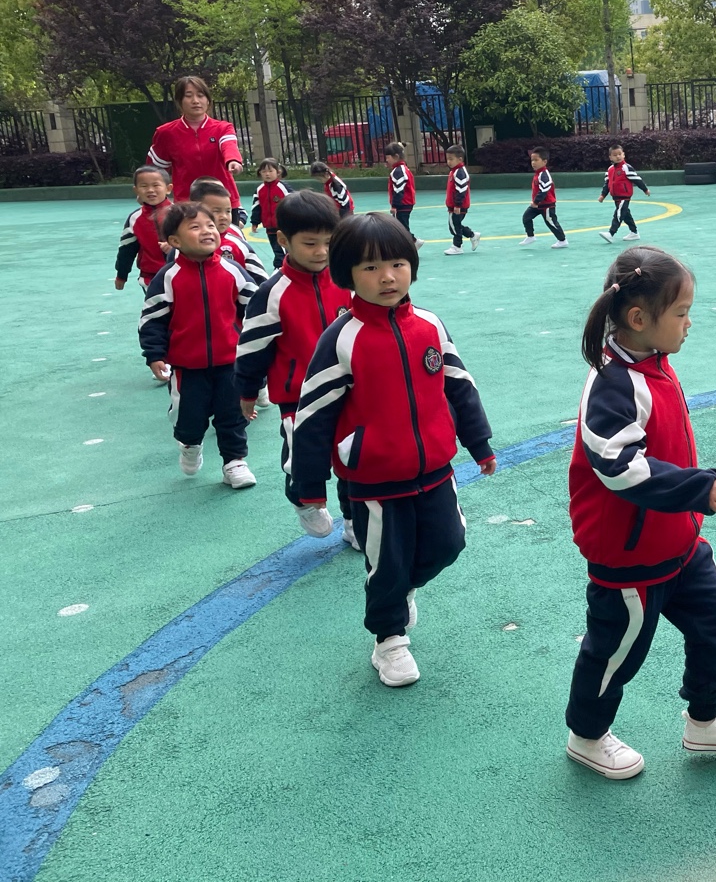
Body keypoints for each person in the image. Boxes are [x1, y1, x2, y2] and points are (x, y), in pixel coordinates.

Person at [565, 245, 716, 779]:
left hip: (678, 543)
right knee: (616, 653)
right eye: (680, 313)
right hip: (628, 558)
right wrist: (696, 488)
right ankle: (587, 735)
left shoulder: (654, 364)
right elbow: (618, 466)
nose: (688, 323)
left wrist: (689, 500)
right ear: (639, 319)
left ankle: (704, 720)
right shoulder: (612, 382)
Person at [290, 213, 496, 688]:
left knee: (449, 544)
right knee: (386, 563)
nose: (387, 277)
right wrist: (309, 487)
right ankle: (389, 640)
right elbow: (314, 415)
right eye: (370, 268)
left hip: (436, 469)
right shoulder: (340, 339)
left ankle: (403, 592)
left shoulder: (430, 325)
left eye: (397, 264)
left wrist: (478, 442)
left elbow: (459, 386)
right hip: (374, 481)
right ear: (346, 274)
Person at [236, 192, 355, 545]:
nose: (321, 252)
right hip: (298, 398)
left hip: (349, 390)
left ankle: (355, 523)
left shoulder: (346, 280)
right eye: (310, 243)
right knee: (305, 457)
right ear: (284, 240)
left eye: (329, 242)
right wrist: (247, 390)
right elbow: (252, 348)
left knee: (354, 457)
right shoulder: (272, 293)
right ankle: (305, 499)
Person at [139, 202, 259, 488]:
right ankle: (190, 444)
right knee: (189, 419)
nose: (207, 231)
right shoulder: (168, 278)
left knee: (232, 415)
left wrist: (255, 352)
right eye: (195, 227)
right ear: (175, 241)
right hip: (186, 368)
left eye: (210, 225)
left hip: (230, 363)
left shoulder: (233, 271)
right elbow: (152, 319)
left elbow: (255, 311)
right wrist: (154, 355)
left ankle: (234, 462)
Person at [147, 76, 246, 222]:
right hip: (186, 205)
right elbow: (155, 171)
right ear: (179, 101)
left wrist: (233, 160)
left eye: (200, 95)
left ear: (208, 100)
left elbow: (228, 145)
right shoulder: (165, 133)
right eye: (188, 96)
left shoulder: (223, 128)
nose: (195, 101)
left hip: (224, 202)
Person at [189, 179, 267, 287]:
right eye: (216, 211)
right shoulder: (185, 241)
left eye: (228, 211)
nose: (224, 217)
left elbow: (260, 277)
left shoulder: (238, 242)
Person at [115, 166, 173, 291]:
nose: (150, 190)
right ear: (136, 190)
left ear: (168, 189)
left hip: (182, 273)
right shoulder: (134, 219)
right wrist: (121, 276)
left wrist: (176, 248)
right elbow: (127, 250)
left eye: (156, 185)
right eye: (144, 186)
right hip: (150, 279)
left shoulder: (181, 213)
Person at [597, 144, 650, 243]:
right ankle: (634, 232)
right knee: (626, 215)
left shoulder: (626, 167)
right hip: (615, 197)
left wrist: (645, 189)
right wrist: (603, 195)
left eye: (620, 154)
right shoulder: (610, 170)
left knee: (618, 214)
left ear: (623, 155)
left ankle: (611, 233)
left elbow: (637, 179)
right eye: (615, 155)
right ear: (610, 157)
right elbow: (607, 184)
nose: (618, 156)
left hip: (624, 196)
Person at [520, 147, 567, 248]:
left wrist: (536, 202)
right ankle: (530, 236)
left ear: (544, 161)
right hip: (538, 204)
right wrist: (536, 203)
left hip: (547, 205)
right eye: (532, 160)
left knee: (551, 222)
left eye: (536, 160)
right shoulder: (537, 174)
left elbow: (544, 190)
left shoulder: (544, 175)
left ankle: (562, 240)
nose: (533, 163)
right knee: (526, 217)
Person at [250, 159, 291, 268]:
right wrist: (255, 222)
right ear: (260, 173)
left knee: (282, 249)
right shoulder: (259, 190)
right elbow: (256, 207)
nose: (267, 174)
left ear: (278, 172)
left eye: (270, 171)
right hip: (269, 227)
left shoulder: (283, 187)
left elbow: (294, 202)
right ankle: (283, 267)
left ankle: (280, 267)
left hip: (283, 226)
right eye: (264, 171)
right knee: (276, 249)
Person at [443, 144, 480, 256]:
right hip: (455, 205)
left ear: (460, 159)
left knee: (454, 226)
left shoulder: (459, 172)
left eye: (451, 159)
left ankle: (457, 246)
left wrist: (457, 205)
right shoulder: (455, 171)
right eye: (447, 159)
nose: (449, 162)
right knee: (455, 225)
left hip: (458, 205)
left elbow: (461, 190)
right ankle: (472, 235)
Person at [385, 142, 421, 247]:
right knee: (401, 225)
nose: (386, 160)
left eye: (388, 157)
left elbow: (398, 190)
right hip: (405, 203)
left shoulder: (398, 171)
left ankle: (413, 242)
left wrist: (395, 205)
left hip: (403, 204)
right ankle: (412, 242)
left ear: (396, 156)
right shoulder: (401, 169)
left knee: (401, 227)